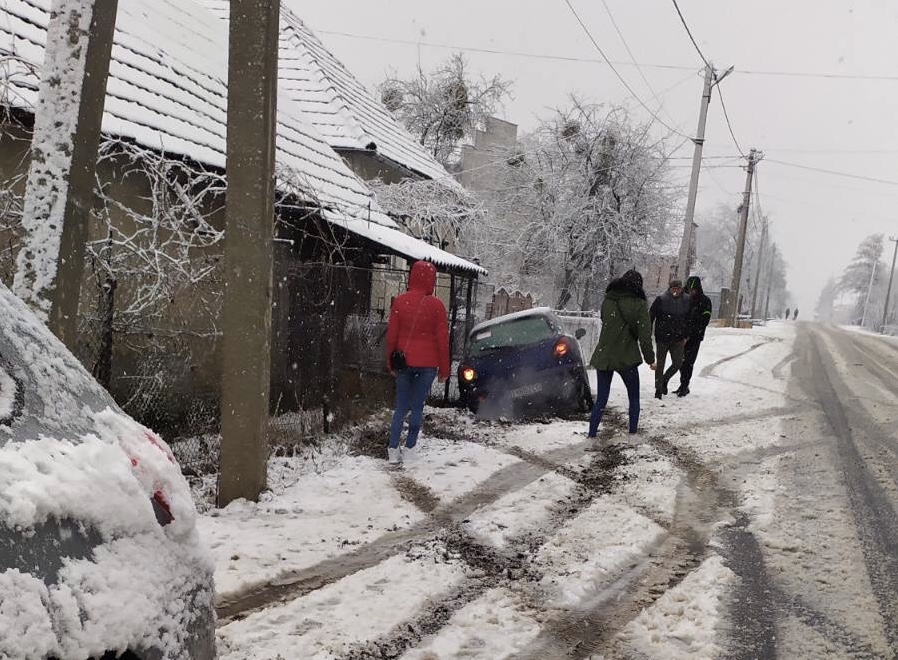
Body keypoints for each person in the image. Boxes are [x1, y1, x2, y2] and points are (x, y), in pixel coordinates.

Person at [385, 261, 449, 465]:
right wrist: (444, 369)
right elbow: (442, 340)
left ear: (412, 277)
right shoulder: (437, 306)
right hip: (428, 365)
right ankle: (410, 448)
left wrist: (390, 363)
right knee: (418, 407)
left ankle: (393, 449)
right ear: (432, 280)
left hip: (404, 362)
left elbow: (391, 337)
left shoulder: (400, 302)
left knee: (401, 406)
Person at [586, 269, 656, 443]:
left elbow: (606, 321)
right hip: (627, 357)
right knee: (633, 397)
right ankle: (632, 434)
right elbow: (645, 336)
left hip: (605, 356)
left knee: (601, 399)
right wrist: (650, 359)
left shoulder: (607, 301)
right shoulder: (639, 304)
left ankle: (592, 433)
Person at [650, 279, 690, 399]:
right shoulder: (661, 299)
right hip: (662, 337)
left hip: (678, 338)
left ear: (681, 288)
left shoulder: (687, 300)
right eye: (673, 288)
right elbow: (651, 315)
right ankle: (658, 389)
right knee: (660, 365)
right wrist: (649, 331)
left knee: (678, 363)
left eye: (678, 288)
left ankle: (664, 380)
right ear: (670, 288)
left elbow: (689, 319)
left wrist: (686, 335)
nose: (676, 291)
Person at [674, 275, 712, 397]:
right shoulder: (683, 300)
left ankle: (685, 385)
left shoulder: (705, 302)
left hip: (695, 337)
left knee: (689, 362)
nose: (691, 292)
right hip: (682, 336)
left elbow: (704, 321)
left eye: (693, 290)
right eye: (689, 290)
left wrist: (691, 333)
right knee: (681, 361)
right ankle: (682, 384)